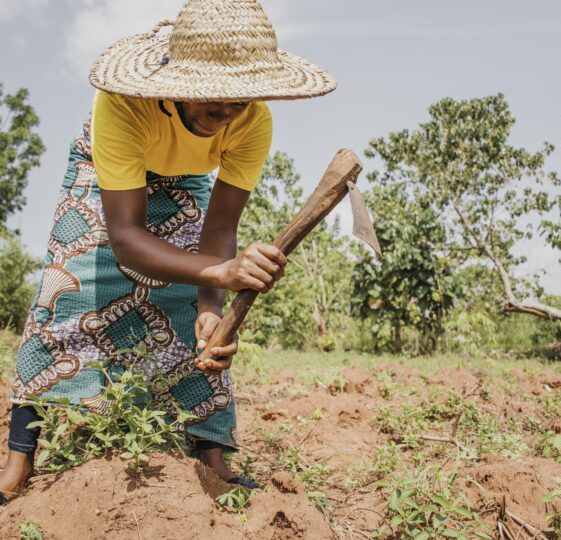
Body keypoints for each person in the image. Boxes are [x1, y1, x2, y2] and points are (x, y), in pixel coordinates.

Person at [0, 0, 336, 504]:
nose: (224, 118)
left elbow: (220, 226)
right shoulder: (122, 104)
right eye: (212, 104)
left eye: (239, 103)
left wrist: (209, 305)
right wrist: (223, 271)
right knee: (65, 295)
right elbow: (128, 240)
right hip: (106, 177)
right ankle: (18, 462)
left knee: (188, 314)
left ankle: (212, 459)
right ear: (178, 83)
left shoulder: (251, 123)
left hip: (185, 180)